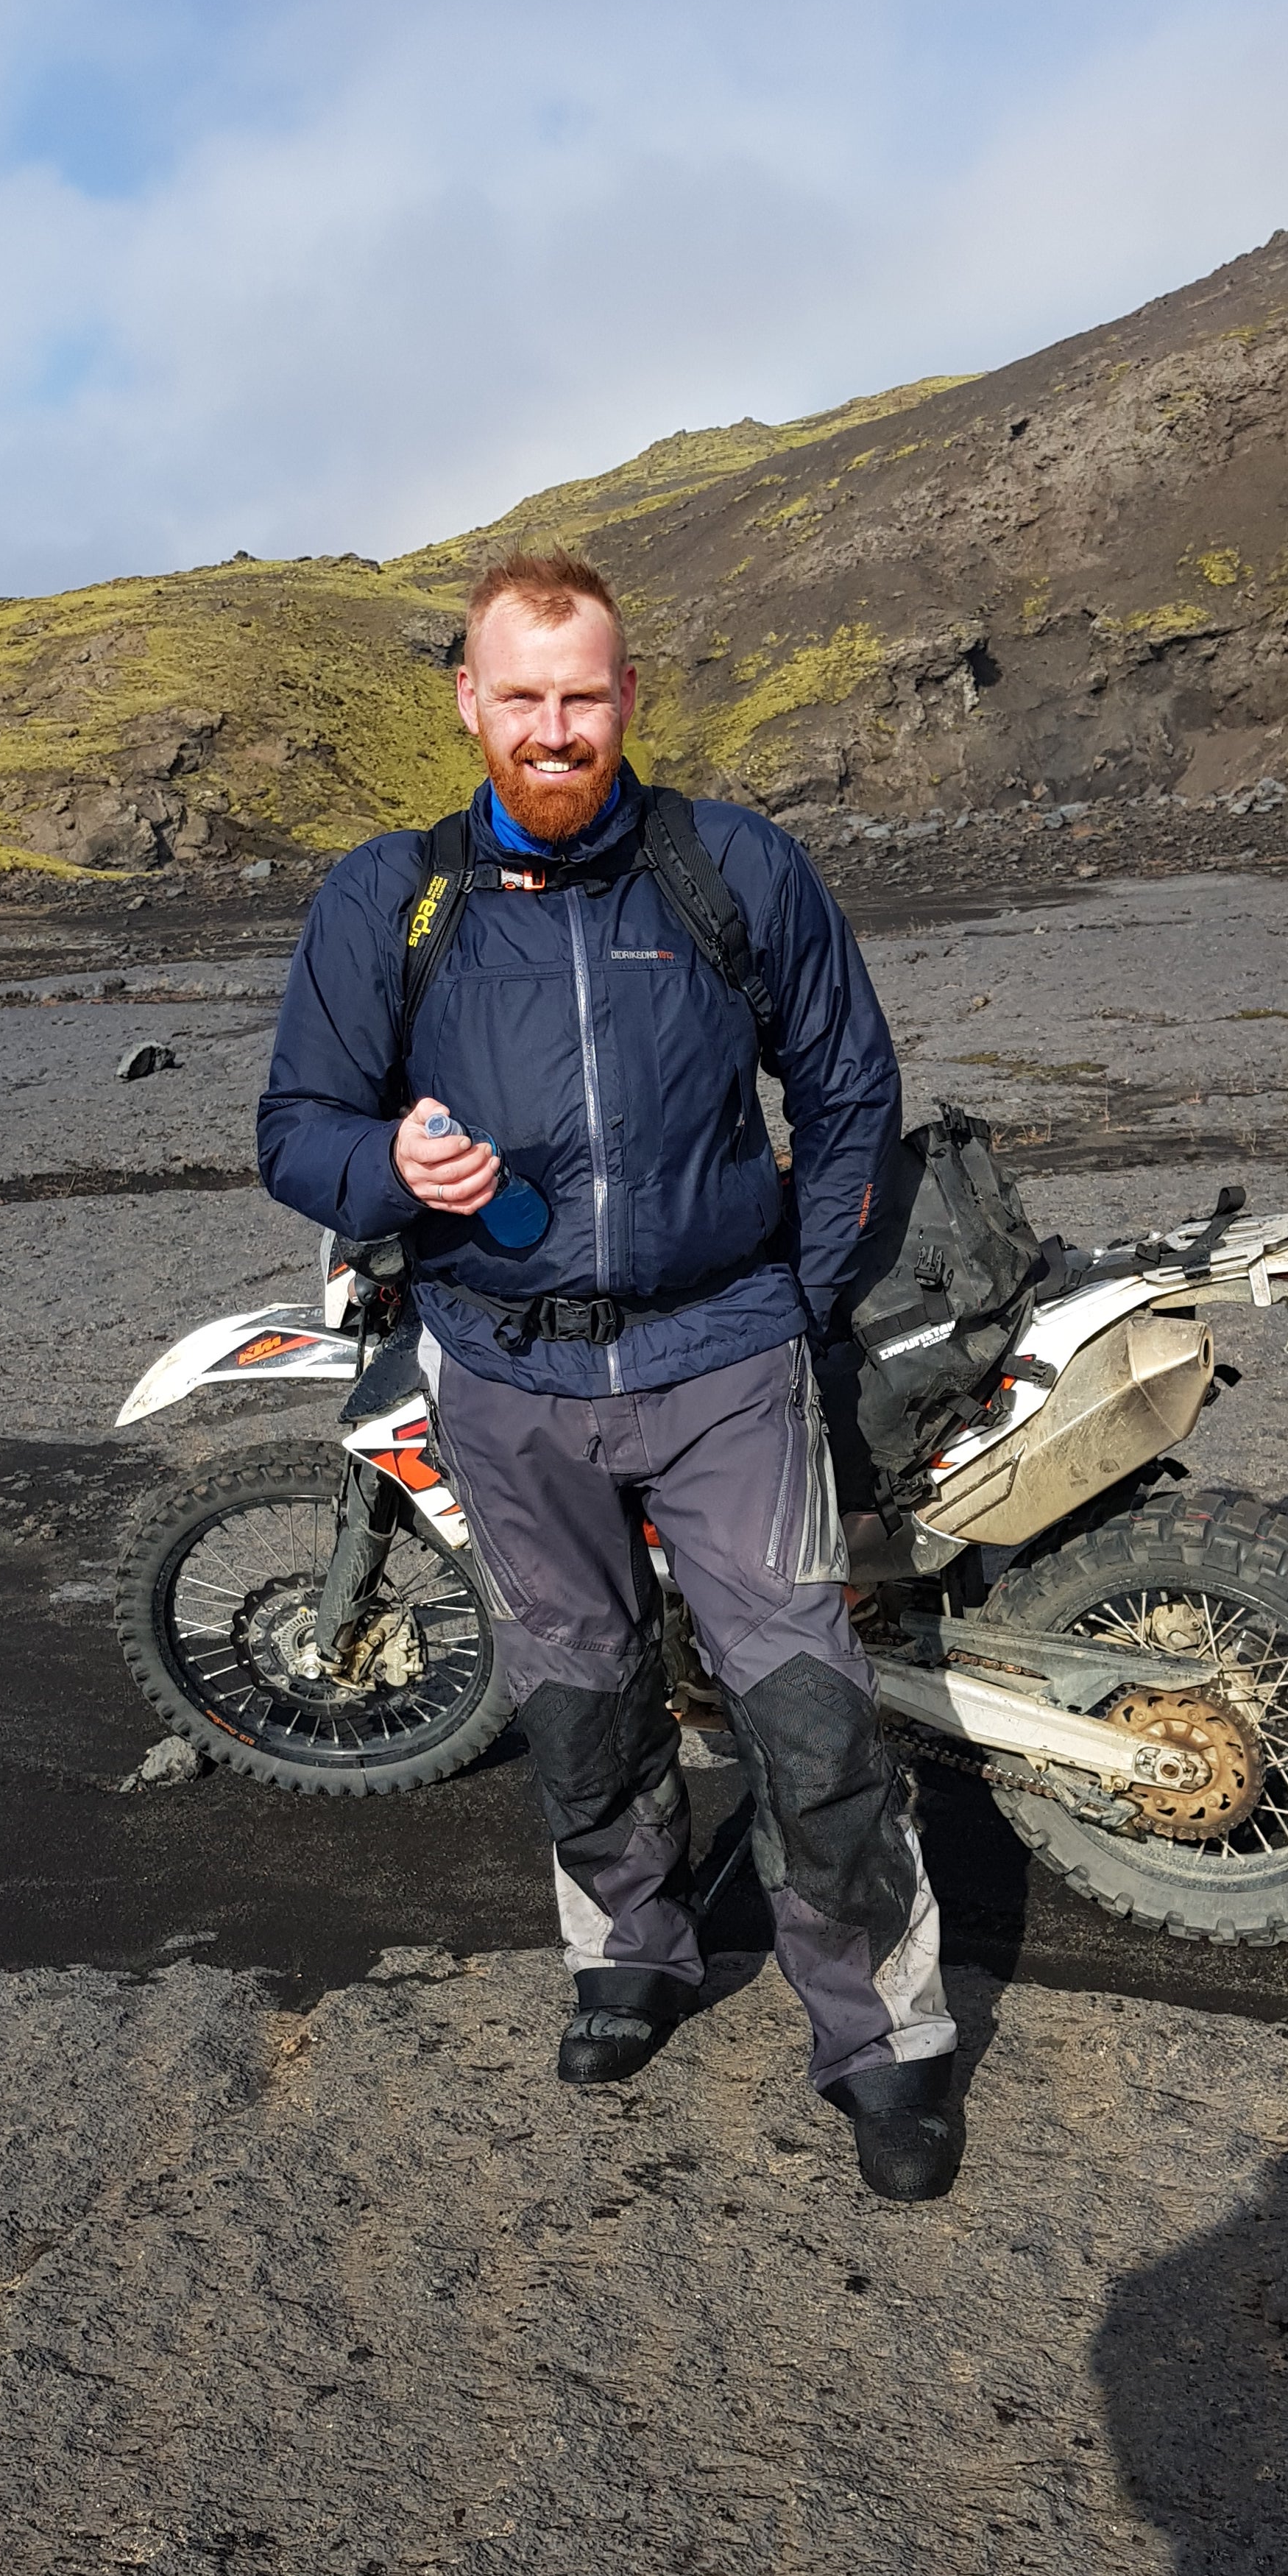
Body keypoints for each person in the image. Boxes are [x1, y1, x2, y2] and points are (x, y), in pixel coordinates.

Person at [258, 550, 960, 2201]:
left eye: (585, 698)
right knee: (575, 1690)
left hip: (725, 1357)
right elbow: (297, 1129)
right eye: (524, 700)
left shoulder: (733, 868)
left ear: (630, 697)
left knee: (805, 1700)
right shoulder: (391, 898)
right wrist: (389, 1176)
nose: (556, 731)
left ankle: (887, 2039)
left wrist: (796, 1295)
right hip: (501, 1376)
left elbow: (851, 1090)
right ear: (471, 704)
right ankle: (631, 1953)